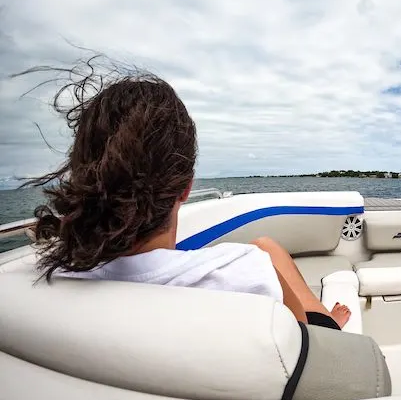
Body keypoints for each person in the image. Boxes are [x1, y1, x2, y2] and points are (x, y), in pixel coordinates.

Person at [20, 58, 351, 330]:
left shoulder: (41, 283)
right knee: (267, 248)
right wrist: (323, 325)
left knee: (265, 246)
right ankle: (329, 318)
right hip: (304, 349)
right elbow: (301, 348)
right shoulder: (249, 272)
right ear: (186, 187)